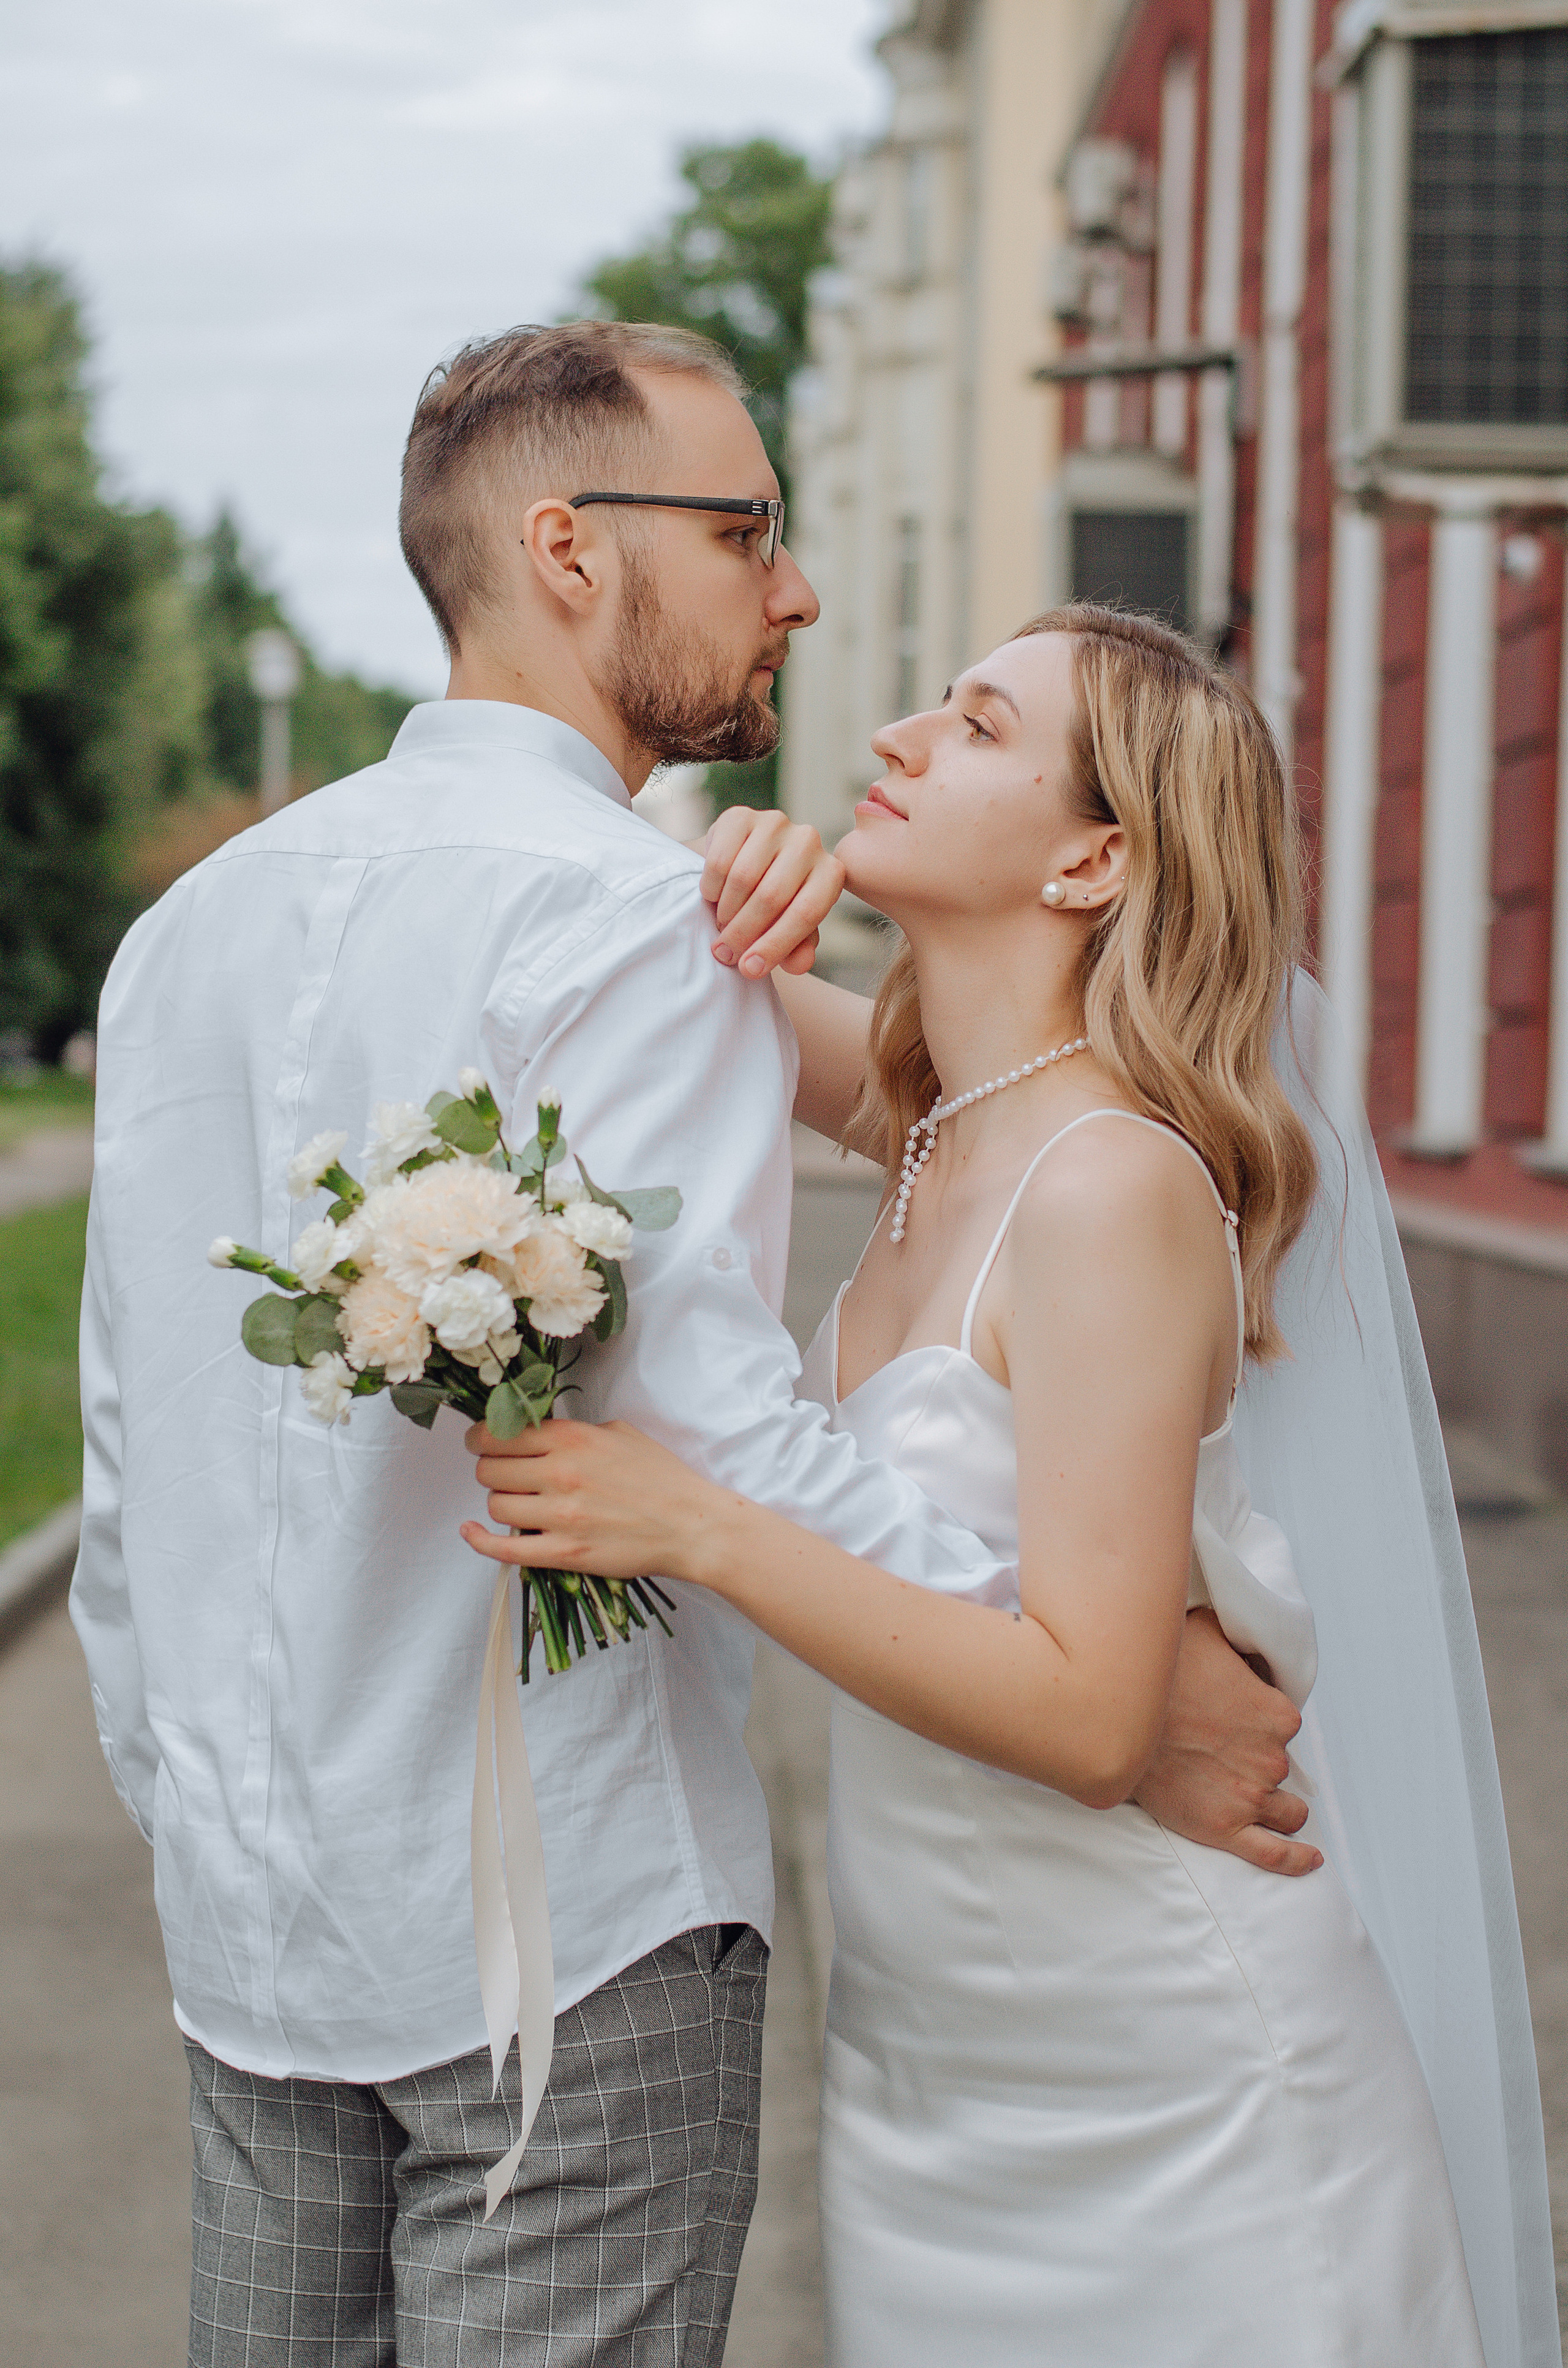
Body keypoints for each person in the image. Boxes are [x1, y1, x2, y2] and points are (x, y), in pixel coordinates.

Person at [72, 331, 1314, 2368]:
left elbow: (129, 1463)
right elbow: (723, 1423)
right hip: (574, 1914)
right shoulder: (636, 923)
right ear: (569, 551)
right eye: (747, 532)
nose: (800, 592)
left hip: (256, 1934)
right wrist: (1096, 1674)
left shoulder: (180, 932)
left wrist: (196, 1801)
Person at [465, 606, 1560, 2366]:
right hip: (931, 2070)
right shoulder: (935, 1127)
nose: (896, 733)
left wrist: (700, 1526)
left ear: (1096, 856)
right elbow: (659, 977)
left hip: (1171, 2086)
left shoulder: (1107, 1184)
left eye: (975, 726)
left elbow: (1093, 1716)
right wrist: (714, 861)